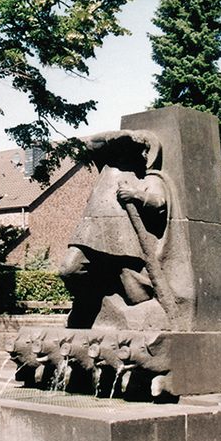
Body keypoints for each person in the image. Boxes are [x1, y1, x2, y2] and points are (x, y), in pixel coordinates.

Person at [59, 130, 171, 329]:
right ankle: (88, 303)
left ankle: (144, 320)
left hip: (123, 239)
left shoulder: (147, 177)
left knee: (137, 295)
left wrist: (136, 194)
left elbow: (160, 202)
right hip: (90, 232)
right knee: (69, 269)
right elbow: (92, 143)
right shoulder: (106, 166)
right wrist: (120, 136)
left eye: (139, 150)